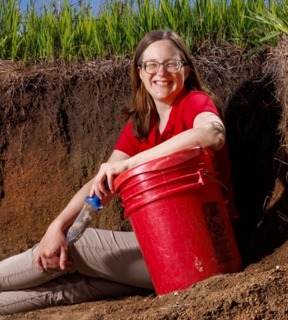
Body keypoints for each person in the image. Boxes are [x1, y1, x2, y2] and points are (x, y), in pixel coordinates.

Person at [0, 29, 237, 314]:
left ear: (186, 69)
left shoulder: (194, 102)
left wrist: (132, 164)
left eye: (171, 64)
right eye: (151, 64)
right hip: (165, 256)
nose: (161, 72)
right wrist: (58, 225)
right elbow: (101, 181)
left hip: (205, 250)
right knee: (73, 285)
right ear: (139, 72)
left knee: (78, 245)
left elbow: (212, 134)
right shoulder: (142, 124)